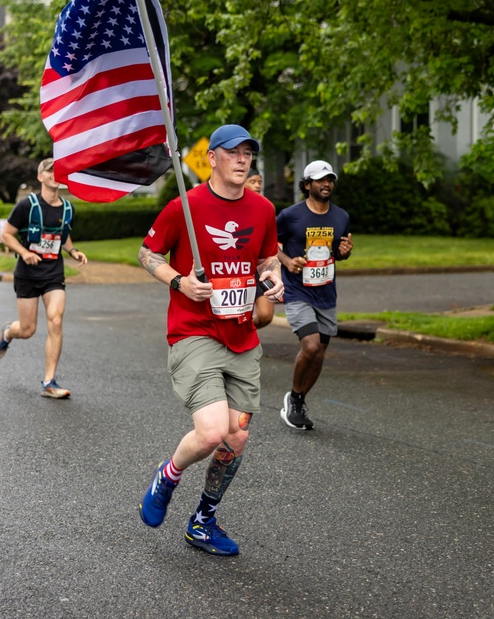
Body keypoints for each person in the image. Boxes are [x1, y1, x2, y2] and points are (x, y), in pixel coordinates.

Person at [136, 123, 283, 557]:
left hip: (242, 335)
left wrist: (272, 275)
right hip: (194, 333)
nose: (242, 160)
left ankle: (202, 521)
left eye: (248, 154)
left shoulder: (263, 209)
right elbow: (147, 253)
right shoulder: (185, 205)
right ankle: (169, 474)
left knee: (236, 438)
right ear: (212, 158)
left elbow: (267, 256)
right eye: (233, 153)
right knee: (213, 430)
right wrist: (180, 281)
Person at [0, 158, 88, 398]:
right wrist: (24, 253)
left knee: (55, 320)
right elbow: (6, 235)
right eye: (50, 171)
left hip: (53, 272)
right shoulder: (27, 206)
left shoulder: (68, 208)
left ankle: (49, 382)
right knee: (27, 329)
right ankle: (7, 333)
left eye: (59, 171)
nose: (55, 174)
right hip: (27, 274)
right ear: (40, 177)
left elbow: (62, 235)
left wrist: (73, 251)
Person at [276, 160, 353, 431]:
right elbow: (270, 244)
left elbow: (338, 253)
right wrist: (286, 261)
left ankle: (297, 399)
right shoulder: (290, 215)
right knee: (310, 346)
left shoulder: (340, 217)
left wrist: (345, 253)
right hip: (298, 291)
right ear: (307, 185)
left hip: (326, 293)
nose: (326, 184)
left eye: (330, 179)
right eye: (320, 180)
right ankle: (295, 399)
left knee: (319, 354)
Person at [244, 170, 274, 329]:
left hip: (261, 269)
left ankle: (242, 331)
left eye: (259, 182)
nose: (257, 185)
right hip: (240, 267)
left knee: (265, 315)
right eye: (253, 181)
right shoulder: (234, 206)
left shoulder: (265, 207)